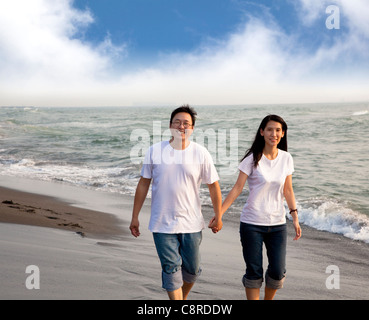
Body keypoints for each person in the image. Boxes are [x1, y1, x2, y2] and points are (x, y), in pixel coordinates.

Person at [129, 105, 222, 300]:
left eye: (186, 123)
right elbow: (143, 184)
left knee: (192, 270)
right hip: (162, 222)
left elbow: (213, 186)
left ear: (193, 128)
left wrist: (219, 216)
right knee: (171, 268)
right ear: (170, 126)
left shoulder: (200, 153)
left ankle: (182, 297)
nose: (181, 126)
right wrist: (134, 216)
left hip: (192, 222)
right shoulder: (154, 151)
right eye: (177, 122)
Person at [209, 114, 301, 300]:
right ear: (261, 132)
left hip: (277, 224)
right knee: (254, 271)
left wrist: (295, 218)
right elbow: (237, 189)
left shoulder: (286, 158)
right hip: (251, 223)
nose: (273, 134)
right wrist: (219, 215)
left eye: (277, 130)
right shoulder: (252, 159)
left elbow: (288, 190)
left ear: (283, 134)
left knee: (277, 271)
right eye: (269, 129)